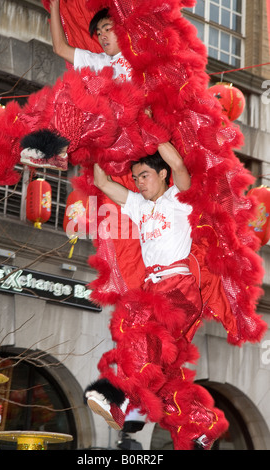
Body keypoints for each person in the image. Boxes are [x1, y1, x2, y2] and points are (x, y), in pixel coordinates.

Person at [84, 141, 228, 449]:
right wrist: (98, 145)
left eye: (145, 175)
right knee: (164, 374)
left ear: (162, 174)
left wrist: (152, 132)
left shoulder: (178, 198)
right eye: (136, 178)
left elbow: (179, 166)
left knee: (140, 336)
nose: (139, 182)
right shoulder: (138, 205)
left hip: (179, 289)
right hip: (153, 288)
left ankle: (125, 404)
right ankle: (202, 424)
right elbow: (102, 182)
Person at [0, 2, 132, 203]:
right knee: (20, 122)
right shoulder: (98, 60)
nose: (103, 36)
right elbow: (60, 48)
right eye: (99, 33)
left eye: (108, 29)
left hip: (119, 130)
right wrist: (55, 6)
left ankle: (57, 149)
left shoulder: (137, 57)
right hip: (83, 124)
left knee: (72, 88)